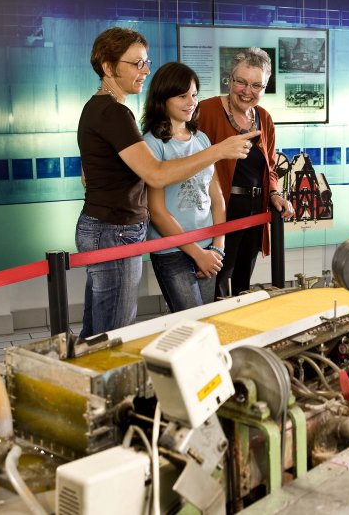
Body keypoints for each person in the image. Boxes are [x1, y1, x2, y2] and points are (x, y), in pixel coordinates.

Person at [76, 27, 256, 338]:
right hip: (114, 230)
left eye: (146, 62)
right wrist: (219, 151)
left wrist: (215, 244)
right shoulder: (113, 113)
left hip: (112, 227)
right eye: (136, 64)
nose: (144, 70)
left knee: (99, 332)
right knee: (112, 335)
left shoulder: (107, 110)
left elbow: (90, 174)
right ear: (108, 67)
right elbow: (156, 174)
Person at [197, 47, 294, 298]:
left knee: (242, 283)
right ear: (229, 79)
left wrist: (273, 194)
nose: (247, 91)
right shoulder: (205, 111)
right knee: (217, 281)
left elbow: (270, 167)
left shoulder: (264, 118)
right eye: (241, 82)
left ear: (264, 88)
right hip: (219, 210)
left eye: (256, 86)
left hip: (255, 210)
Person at [141, 62, 224, 312]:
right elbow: (156, 212)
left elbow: (216, 195)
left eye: (195, 94)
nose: (191, 102)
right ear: (163, 98)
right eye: (182, 95)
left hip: (210, 246)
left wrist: (218, 246)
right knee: (191, 321)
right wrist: (197, 254)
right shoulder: (152, 144)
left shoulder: (202, 139)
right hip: (172, 251)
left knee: (207, 318)